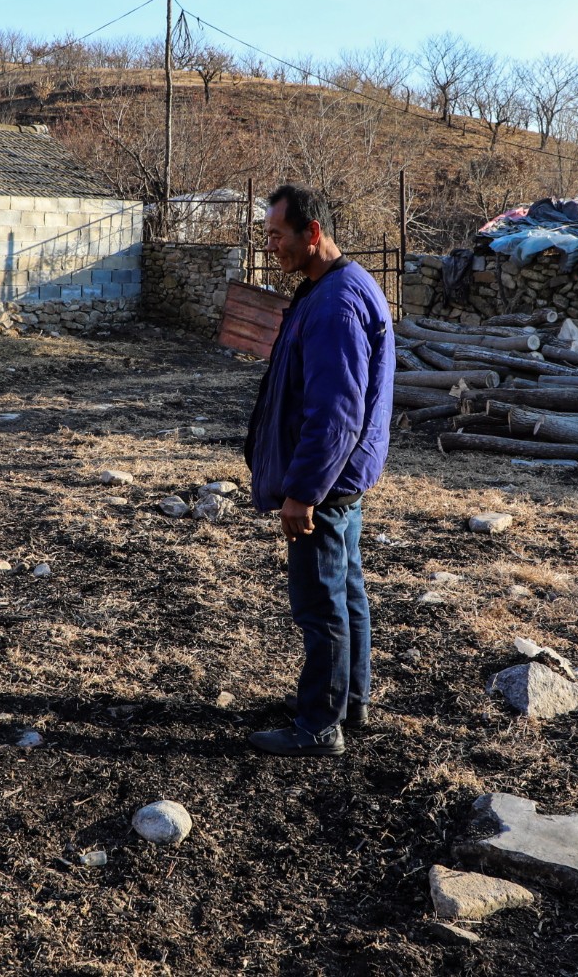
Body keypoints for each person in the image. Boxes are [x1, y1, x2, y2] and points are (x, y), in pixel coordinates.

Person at [243, 184, 394, 758]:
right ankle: (349, 700)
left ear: (312, 233)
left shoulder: (334, 303)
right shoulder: (329, 288)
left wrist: (303, 491)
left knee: (321, 602)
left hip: (325, 485)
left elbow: (335, 409)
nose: (272, 248)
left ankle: (318, 725)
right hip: (341, 480)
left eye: (278, 236)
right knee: (346, 591)